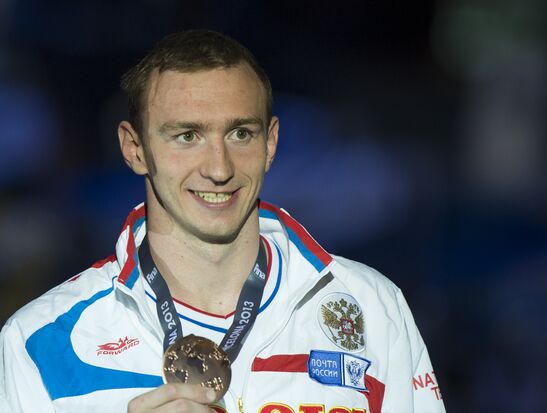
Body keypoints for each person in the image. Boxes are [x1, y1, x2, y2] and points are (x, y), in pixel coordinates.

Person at [0, 30, 446, 413]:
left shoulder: (371, 304)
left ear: (271, 142)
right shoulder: (38, 340)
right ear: (134, 148)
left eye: (240, 134)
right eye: (187, 136)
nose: (219, 167)